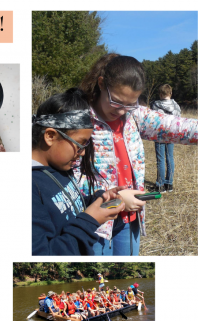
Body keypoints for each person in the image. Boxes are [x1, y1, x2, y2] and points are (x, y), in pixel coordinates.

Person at [76, 54, 198, 256]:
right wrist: (116, 197)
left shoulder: (133, 115)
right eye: (117, 101)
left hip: (128, 218)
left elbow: (174, 126)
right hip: (94, 223)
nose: (123, 111)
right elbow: (68, 174)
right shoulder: (79, 118)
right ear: (101, 84)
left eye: (131, 104)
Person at [32, 88, 126, 255]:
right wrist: (90, 221)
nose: (82, 152)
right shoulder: (31, 187)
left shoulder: (60, 168)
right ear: (50, 136)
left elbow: (66, 207)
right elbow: (44, 254)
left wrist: (98, 199)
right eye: (80, 144)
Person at [150, 84, 181, 193]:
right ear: (170, 93)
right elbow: (178, 121)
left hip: (159, 135)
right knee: (170, 157)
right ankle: (169, 184)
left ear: (160, 94)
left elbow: (152, 119)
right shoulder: (176, 106)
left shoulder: (155, 105)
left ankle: (160, 185)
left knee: (160, 160)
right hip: (171, 135)